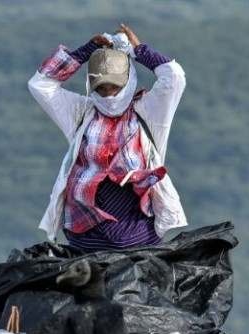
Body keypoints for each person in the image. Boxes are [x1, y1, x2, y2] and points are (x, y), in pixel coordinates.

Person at [28, 23, 187, 253]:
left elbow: (174, 77)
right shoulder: (81, 113)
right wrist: (84, 51)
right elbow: (40, 85)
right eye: (102, 88)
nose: (109, 95)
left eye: (115, 87)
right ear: (92, 87)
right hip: (86, 238)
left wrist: (138, 50)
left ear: (129, 81)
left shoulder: (149, 112)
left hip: (138, 236)